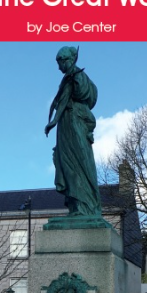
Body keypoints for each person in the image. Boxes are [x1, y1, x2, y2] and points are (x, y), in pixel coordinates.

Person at [45, 46, 102, 217]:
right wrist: (55, 121)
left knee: (78, 163)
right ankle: (77, 206)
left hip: (74, 123)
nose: (58, 67)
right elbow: (61, 102)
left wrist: (53, 121)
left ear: (67, 60)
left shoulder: (77, 77)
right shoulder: (69, 78)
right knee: (68, 164)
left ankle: (86, 206)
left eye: (60, 63)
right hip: (67, 126)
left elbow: (75, 99)